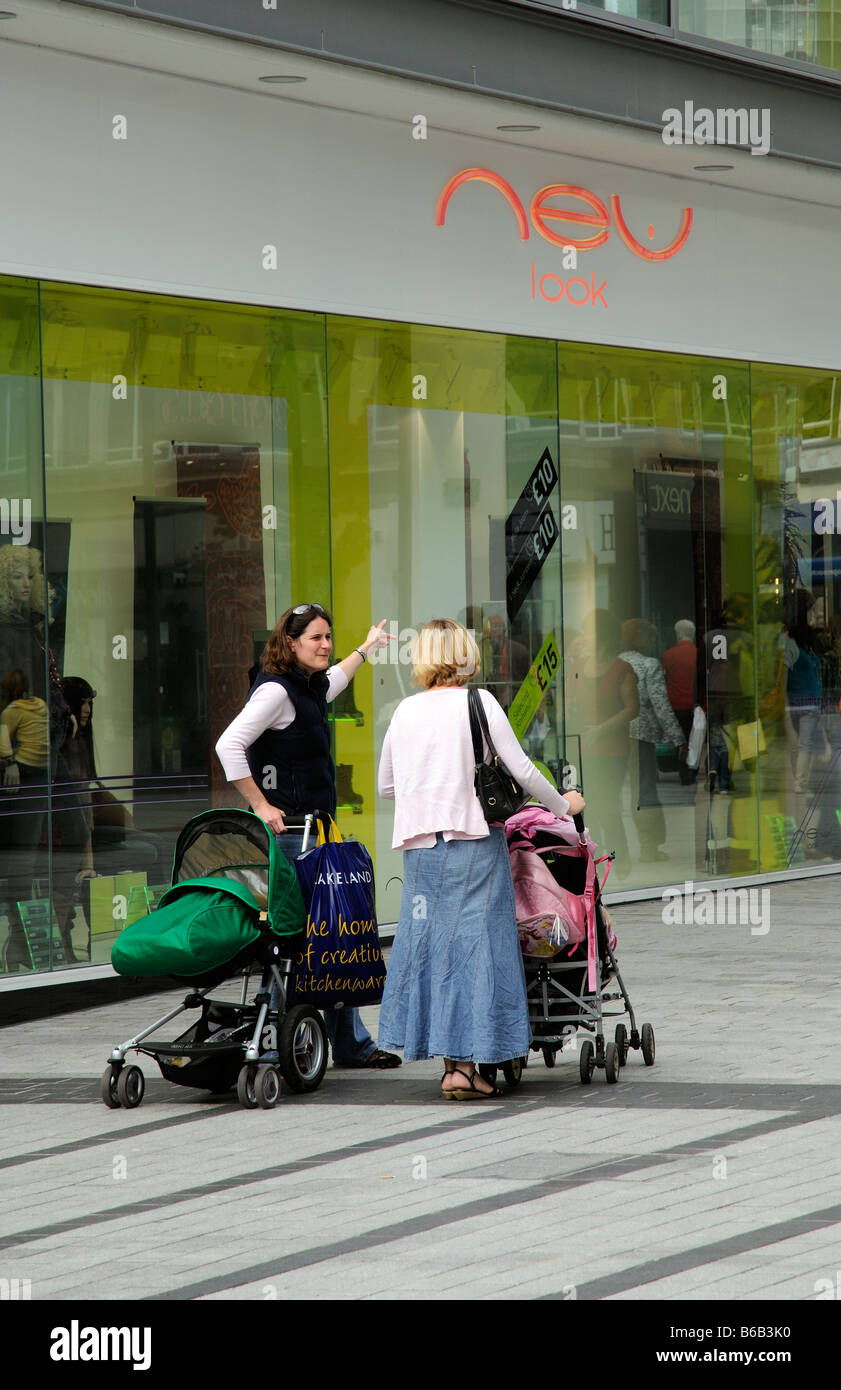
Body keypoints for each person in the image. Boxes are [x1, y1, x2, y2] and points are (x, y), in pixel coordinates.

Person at [376, 618, 585, 1100]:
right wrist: (564, 806)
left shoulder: (403, 711)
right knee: (475, 947)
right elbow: (524, 772)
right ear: (465, 654)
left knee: (432, 946)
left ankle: (450, 1063)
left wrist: (427, 786)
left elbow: (387, 785)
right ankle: (467, 1068)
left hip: (421, 849)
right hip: (473, 842)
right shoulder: (480, 701)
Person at [215, 602, 401, 1068]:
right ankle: (271, 1040)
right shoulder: (276, 692)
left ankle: (348, 1045)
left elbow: (334, 680)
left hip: (313, 832)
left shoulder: (307, 686)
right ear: (291, 642)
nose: (325, 645)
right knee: (292, 939)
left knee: (328, 934)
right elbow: (228, 744)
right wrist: (260, 804)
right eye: (316, 637)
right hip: (290, 838)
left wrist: (366, 648)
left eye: (328, 637)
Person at [619, 619, 687, 863]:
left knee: (618, 791)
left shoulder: (616, 662)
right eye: (649, 637)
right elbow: (661, 705)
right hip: (641, 736)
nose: (653, 642)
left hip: (616, 736)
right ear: (639, 638)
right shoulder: (649, 665)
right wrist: (678, 737)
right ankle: (649, 846)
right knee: (645, 790)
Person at [661, 619, 698, 785]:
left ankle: (684, 771)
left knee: (681, 740)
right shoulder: (698, 653)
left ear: (677, 634)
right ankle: (692, 769)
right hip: (695, 704)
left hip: (675, 704)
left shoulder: (668, 655)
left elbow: (663, 679)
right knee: (695, 738)